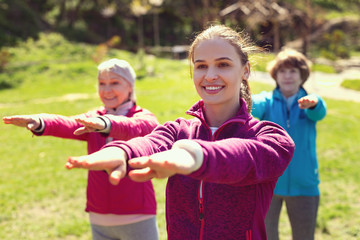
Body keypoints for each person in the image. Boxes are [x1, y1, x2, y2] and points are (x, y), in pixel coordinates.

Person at [65, 25, 295, 240]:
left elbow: (243, 155)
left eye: (223, 64)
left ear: (245, 70)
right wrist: (121, 152)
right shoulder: (177, 131)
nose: (210, 75)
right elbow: (149, 143)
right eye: (201, 65)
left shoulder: (271, 138)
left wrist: (194, 156)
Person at [3, 59, 160, 240]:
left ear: (130, 87)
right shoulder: (93, 117)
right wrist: (41, 121)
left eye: (115, 83)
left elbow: (135, 127)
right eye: (102, 83)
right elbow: (68, 123)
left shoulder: (143, 117)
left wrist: (105, 123)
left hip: (137, 213)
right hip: (99, 212)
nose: (106, 90)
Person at [251, 48, 327, 240]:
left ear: (303, 75)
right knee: (265, 235)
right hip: (269, 183)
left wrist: (314, 103)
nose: (287, 76)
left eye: (293, 71)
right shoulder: (266, 102)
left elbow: (319, 111)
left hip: (305, 185)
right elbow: (252, 104)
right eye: (282, 71)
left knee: (304, 236)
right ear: (275, 75)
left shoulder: (309, 102)